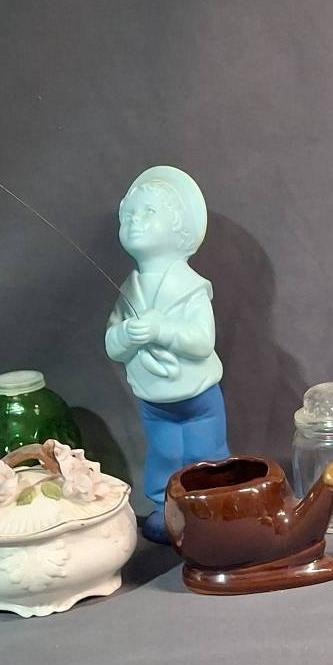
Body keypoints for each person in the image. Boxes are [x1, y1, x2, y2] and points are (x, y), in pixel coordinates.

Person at [105, 165, 227, 541]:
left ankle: (212, 506)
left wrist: (162, 330)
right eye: (128, 215)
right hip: (154, 401)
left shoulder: (191, 287)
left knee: (205, 453)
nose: (134, 220)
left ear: (179, 229)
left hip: (198, 398)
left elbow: (202, 342)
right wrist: (125, 334)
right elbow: (112, 345)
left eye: (148, 212)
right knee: (164, 455)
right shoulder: (129, 289)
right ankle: (166, 507)